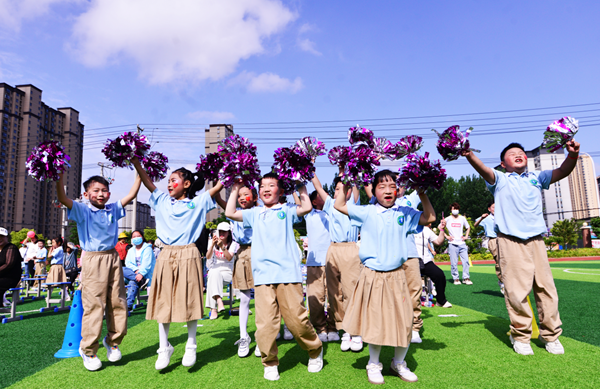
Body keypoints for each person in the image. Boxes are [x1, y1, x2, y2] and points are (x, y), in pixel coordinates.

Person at [463, 140, 580, 356]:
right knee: (517, 292)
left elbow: (563, 170)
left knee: (546, 289)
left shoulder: (537, 178)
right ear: (502, 163)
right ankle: (521, 336)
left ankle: (551, 336)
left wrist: (572, 155)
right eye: (512, 153)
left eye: (522, 153)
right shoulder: (500, 179)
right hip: (510, 241)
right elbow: (484, 170)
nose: (519, 155)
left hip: (536, 241)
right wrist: (469, 155)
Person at [334, 169, 436, 385]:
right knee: (375, 321)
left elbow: (431, 217)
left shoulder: (404, 212)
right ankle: (373, 363)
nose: (388, 190)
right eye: (382, 186)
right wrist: (346, 176)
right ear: (373, 190)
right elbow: (339, 205)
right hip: (372, 275)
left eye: (392, 186)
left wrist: (422, 192)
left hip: (398, 276)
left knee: (405, 320)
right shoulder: (367, 211)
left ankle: (398, 362)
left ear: (398, 190)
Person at [226, 173, 324, 381]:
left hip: (288, 274)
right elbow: (230, 212)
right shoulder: (254, 213)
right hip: (262, 276)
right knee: (266, 324)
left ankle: (315, 350)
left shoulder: (286, 210)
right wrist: (235, 187)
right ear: (258, 192)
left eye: (272, 185)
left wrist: (300, 185)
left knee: (297, 320)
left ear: (280, 191)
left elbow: (306, 208)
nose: (266, 189)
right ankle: (269, 361)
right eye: (262, 186)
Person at [132, 159, 223, 370]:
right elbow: (147, 181)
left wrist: (227, 165)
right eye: (168, 181)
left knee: (189, 298)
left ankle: (191, 345)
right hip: (165, 254)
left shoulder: (198, 202)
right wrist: (136, 161)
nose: (169, 184)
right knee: (163, 301)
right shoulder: (162, 200)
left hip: (189, 252)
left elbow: (219, 185)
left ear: (187, 184)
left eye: (174, 180)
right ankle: (164, 348)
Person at [56, 171, 142, 371]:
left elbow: (131, 195)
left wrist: (139, 172)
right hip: (93, 259)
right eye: (96, 191)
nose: (101, 194)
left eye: (104, 190)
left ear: (109, 194)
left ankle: (113, 342)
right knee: (94, 305)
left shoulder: (113, 209)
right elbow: (62, 198)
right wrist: (58, 176)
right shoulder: (81, 210)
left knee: (118, 301)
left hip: (113, 257)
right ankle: (88, 351)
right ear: (86, 195)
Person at [312, 172, 364, 351]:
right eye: (336, 189)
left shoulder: (353, 204)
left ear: (349, 191)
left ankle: (356, 332)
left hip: (350, 249)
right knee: (334, 293)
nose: (339, 191)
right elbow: (318, 186)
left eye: (344, 188)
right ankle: (344, 330)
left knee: (351, 291)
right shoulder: (330, 205)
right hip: (333, 249)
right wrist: (308, 167)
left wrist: (352, 168)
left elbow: (356, 183)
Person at [226, 186, 259, 357]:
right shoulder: (234, 213)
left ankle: (261, 336)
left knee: (262, 298)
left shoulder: (260, 211)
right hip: (242, 253)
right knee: (244, 299)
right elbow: (223, 205)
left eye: (246, 194)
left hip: (260, 251)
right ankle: (243, 336)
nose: (242, 197)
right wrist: (233, 185)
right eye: (239, 195)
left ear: (255, 197)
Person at [303, 190, 336, 343]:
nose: (325, 196)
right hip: (314, 263)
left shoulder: (333, 212)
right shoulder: (309, 213)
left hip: (332, 261)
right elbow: (300, 195)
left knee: (333, 298)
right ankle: (320, 328)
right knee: (315, 298)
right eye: (320, 196)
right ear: (314, 202)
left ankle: (333, 327)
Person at [414, 221, 452, 312]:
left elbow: (439, 242)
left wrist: (442, 229)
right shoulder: (406, 228)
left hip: (425, 261)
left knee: (440, 275)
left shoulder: (426, 230)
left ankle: (441, 300)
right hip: (410, 261)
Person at [205, 222, 239, 319]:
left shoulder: (233, 244)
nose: (222, 234)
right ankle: (219, 301)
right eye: (220, 231)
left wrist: (222, 247)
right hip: (215, 271)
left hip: (227, 272)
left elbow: (229, 258)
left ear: (229, 233)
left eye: (224, 231)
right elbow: (208, 257)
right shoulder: (211, 241)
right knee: (213, 272)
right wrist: (212, 245)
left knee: (212, 275)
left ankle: (213, 309)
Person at [474, 201, 503, 293]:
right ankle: (502, 282)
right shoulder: (486, 218)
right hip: (493, 240)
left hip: (503, 239)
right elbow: (475, 225)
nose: (495, 209)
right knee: (498, 260)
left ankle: (507, 281)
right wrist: (481, 218)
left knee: (507, 260)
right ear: (489, 209)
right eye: (493, 207)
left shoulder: (502, 216)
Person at [123, 230, 155, 310]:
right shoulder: (130, 251)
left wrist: (141, 274)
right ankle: (141, 280)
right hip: (136, 274)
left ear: (142, 237)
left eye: (138, 236)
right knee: (121, 268)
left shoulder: (148, 249)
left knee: (133, 281)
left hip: (146, 275)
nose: (136, 238)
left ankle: (128, 305)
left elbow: (146, 264)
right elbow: (128, 263)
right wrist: (136, 271)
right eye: (134, 237)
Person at [444, 203, 472, 285]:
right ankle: (456, 278)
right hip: (452, 243)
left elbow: (468, 227)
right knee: (454, 262)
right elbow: (440, 227)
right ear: (450, 210)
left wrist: (466, 236)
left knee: (466, 261)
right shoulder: (448, 219)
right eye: (453, 209)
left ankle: (466, 277)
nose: (455, 210)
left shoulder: (462, 218)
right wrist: (447, 236)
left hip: (462, 243)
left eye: (456, 208)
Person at [0, 227, 23, 307]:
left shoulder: (11, 247)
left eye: (2, 236)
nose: (0, 238)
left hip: (11, 278)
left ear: (7, 237)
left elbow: (8, 264)